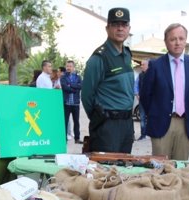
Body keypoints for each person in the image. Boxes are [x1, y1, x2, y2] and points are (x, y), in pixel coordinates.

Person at [140, 23, 189, 161]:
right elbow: (145, 95)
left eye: (181, 38)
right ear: (166, 42)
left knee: (181, 169)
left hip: (185, 124)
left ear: (186, 40)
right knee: (160, 170)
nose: (177, 42)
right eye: (173, 39)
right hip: (161, 124)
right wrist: (156, 113)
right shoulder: (155, 65)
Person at [82, 7, 135, 153]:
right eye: (115, 24)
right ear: (107, 28)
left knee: (123, 171)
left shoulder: (127, 55)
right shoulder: (98, 58)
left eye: (124, 25)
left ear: (129, 29)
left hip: (126, 124)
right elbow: (87, 95)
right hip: (107, 125)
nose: (120, 29)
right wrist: (99, 119)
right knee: (105, 171)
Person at [61, 60, 83, 144]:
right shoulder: (63, 77)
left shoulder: (78, 77)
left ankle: (77, 139)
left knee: (76, 121)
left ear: (73, 67)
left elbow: (80, 86)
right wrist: (74, 88)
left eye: (70, 66)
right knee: (65, 121)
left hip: (75, 103)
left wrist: (70, 85)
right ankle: (64, 139)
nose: (68, 68)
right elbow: (64, 87)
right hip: (66, 103)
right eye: (67, 66)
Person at [134, 59, 149, 140]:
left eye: (143, 64)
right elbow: (135, 86)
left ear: (148, 65)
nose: (141, 66)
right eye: (141, 64)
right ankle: (143, 135)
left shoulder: (152, 74)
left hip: (151, 101)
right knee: (142, 118)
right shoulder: (140, 75)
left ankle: (151, 134)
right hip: (142, 101)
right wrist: (137, 95)